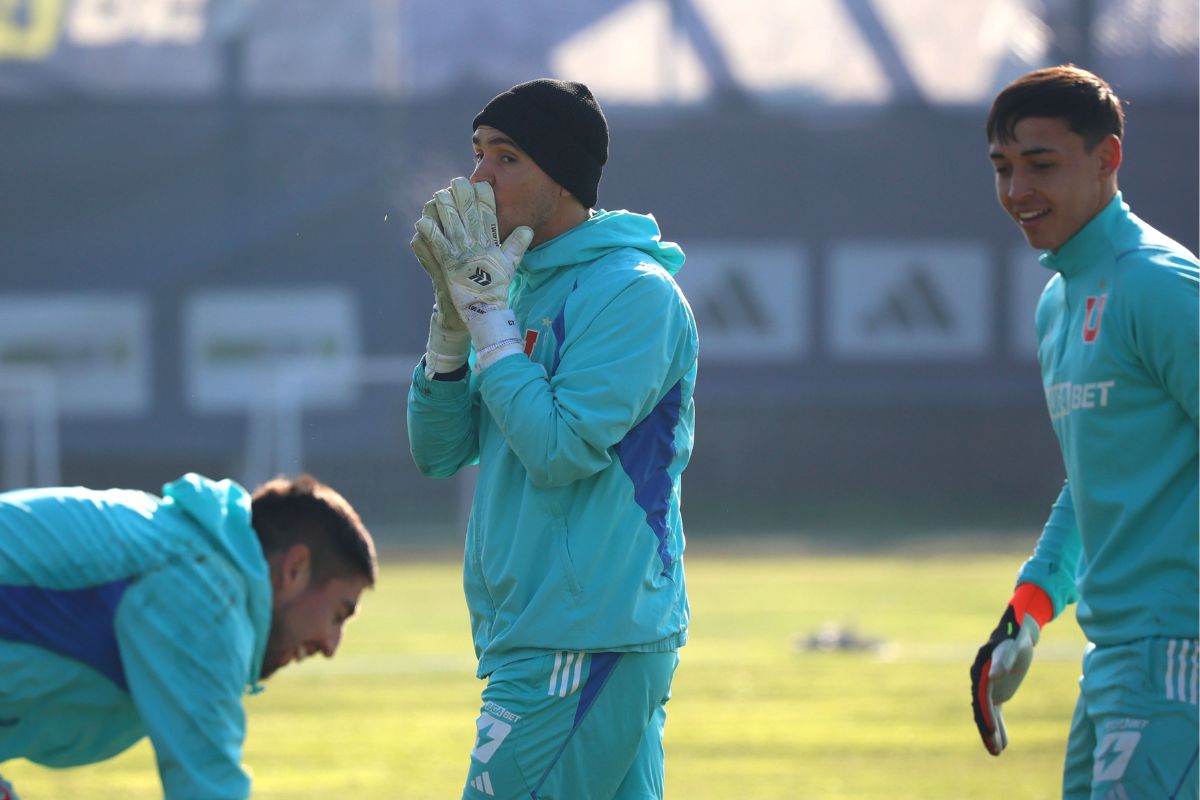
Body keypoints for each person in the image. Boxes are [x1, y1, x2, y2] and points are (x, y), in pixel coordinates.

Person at [406, 78, 698, 799]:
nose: (479, 179)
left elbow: (558, 450)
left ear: (562, 176)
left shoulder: (634, 291)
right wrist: (452, 327)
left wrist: (490, 320)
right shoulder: (514, 285)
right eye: (477, 153)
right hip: (553, 631)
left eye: (506, 158)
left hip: (584, 635)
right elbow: (438, 454)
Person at [970, 65, 1199, 798]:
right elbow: (1096, 477)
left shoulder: (1158, 284)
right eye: (1003, 168)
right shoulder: (1058, 302)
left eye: (1041, 164)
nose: (1018, 190)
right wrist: (1028, 612)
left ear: (1107, 159)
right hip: (1115, 658)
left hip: (1178, 657)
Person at [0, 472, 377, 799]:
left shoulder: (190, 560)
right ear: (295, 569)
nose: (331, 646)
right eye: (338, 615)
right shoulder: (205, 592)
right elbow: (207, 788)